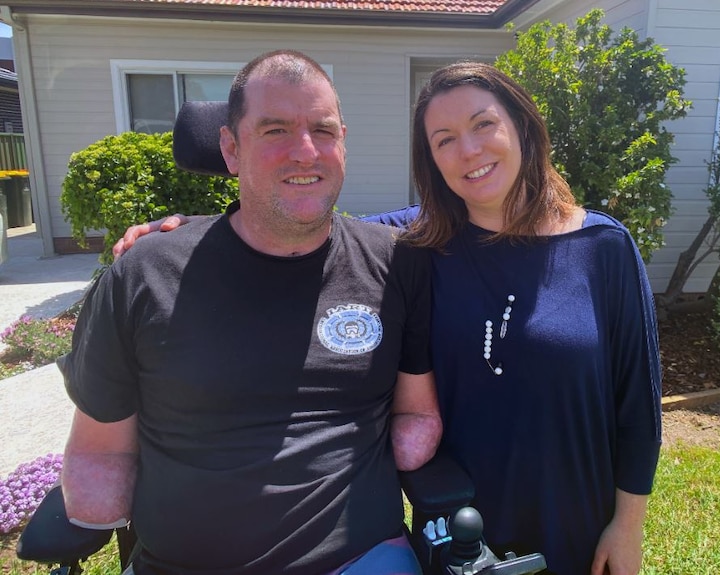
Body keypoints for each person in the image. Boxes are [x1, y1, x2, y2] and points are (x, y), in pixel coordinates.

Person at [116, 61, 663, 575]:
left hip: (576, 516)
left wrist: (628, 524)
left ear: (522, 126)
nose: (468, 150)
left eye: (483, 124)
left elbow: (637, 405)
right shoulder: (415, 244)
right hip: (457, 522)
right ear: (430, 158)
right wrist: (191, 236)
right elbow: (295, 228)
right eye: (443, 140)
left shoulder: (603, 247)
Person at [59, 49, 442, 575]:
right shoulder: (145, 273)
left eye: (323, 131)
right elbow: (100, 451)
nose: (306, 152)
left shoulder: (397, 263)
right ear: (230, 149)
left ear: (344, 144)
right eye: (275, 130)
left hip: (359, 558)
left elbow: (418, 414)